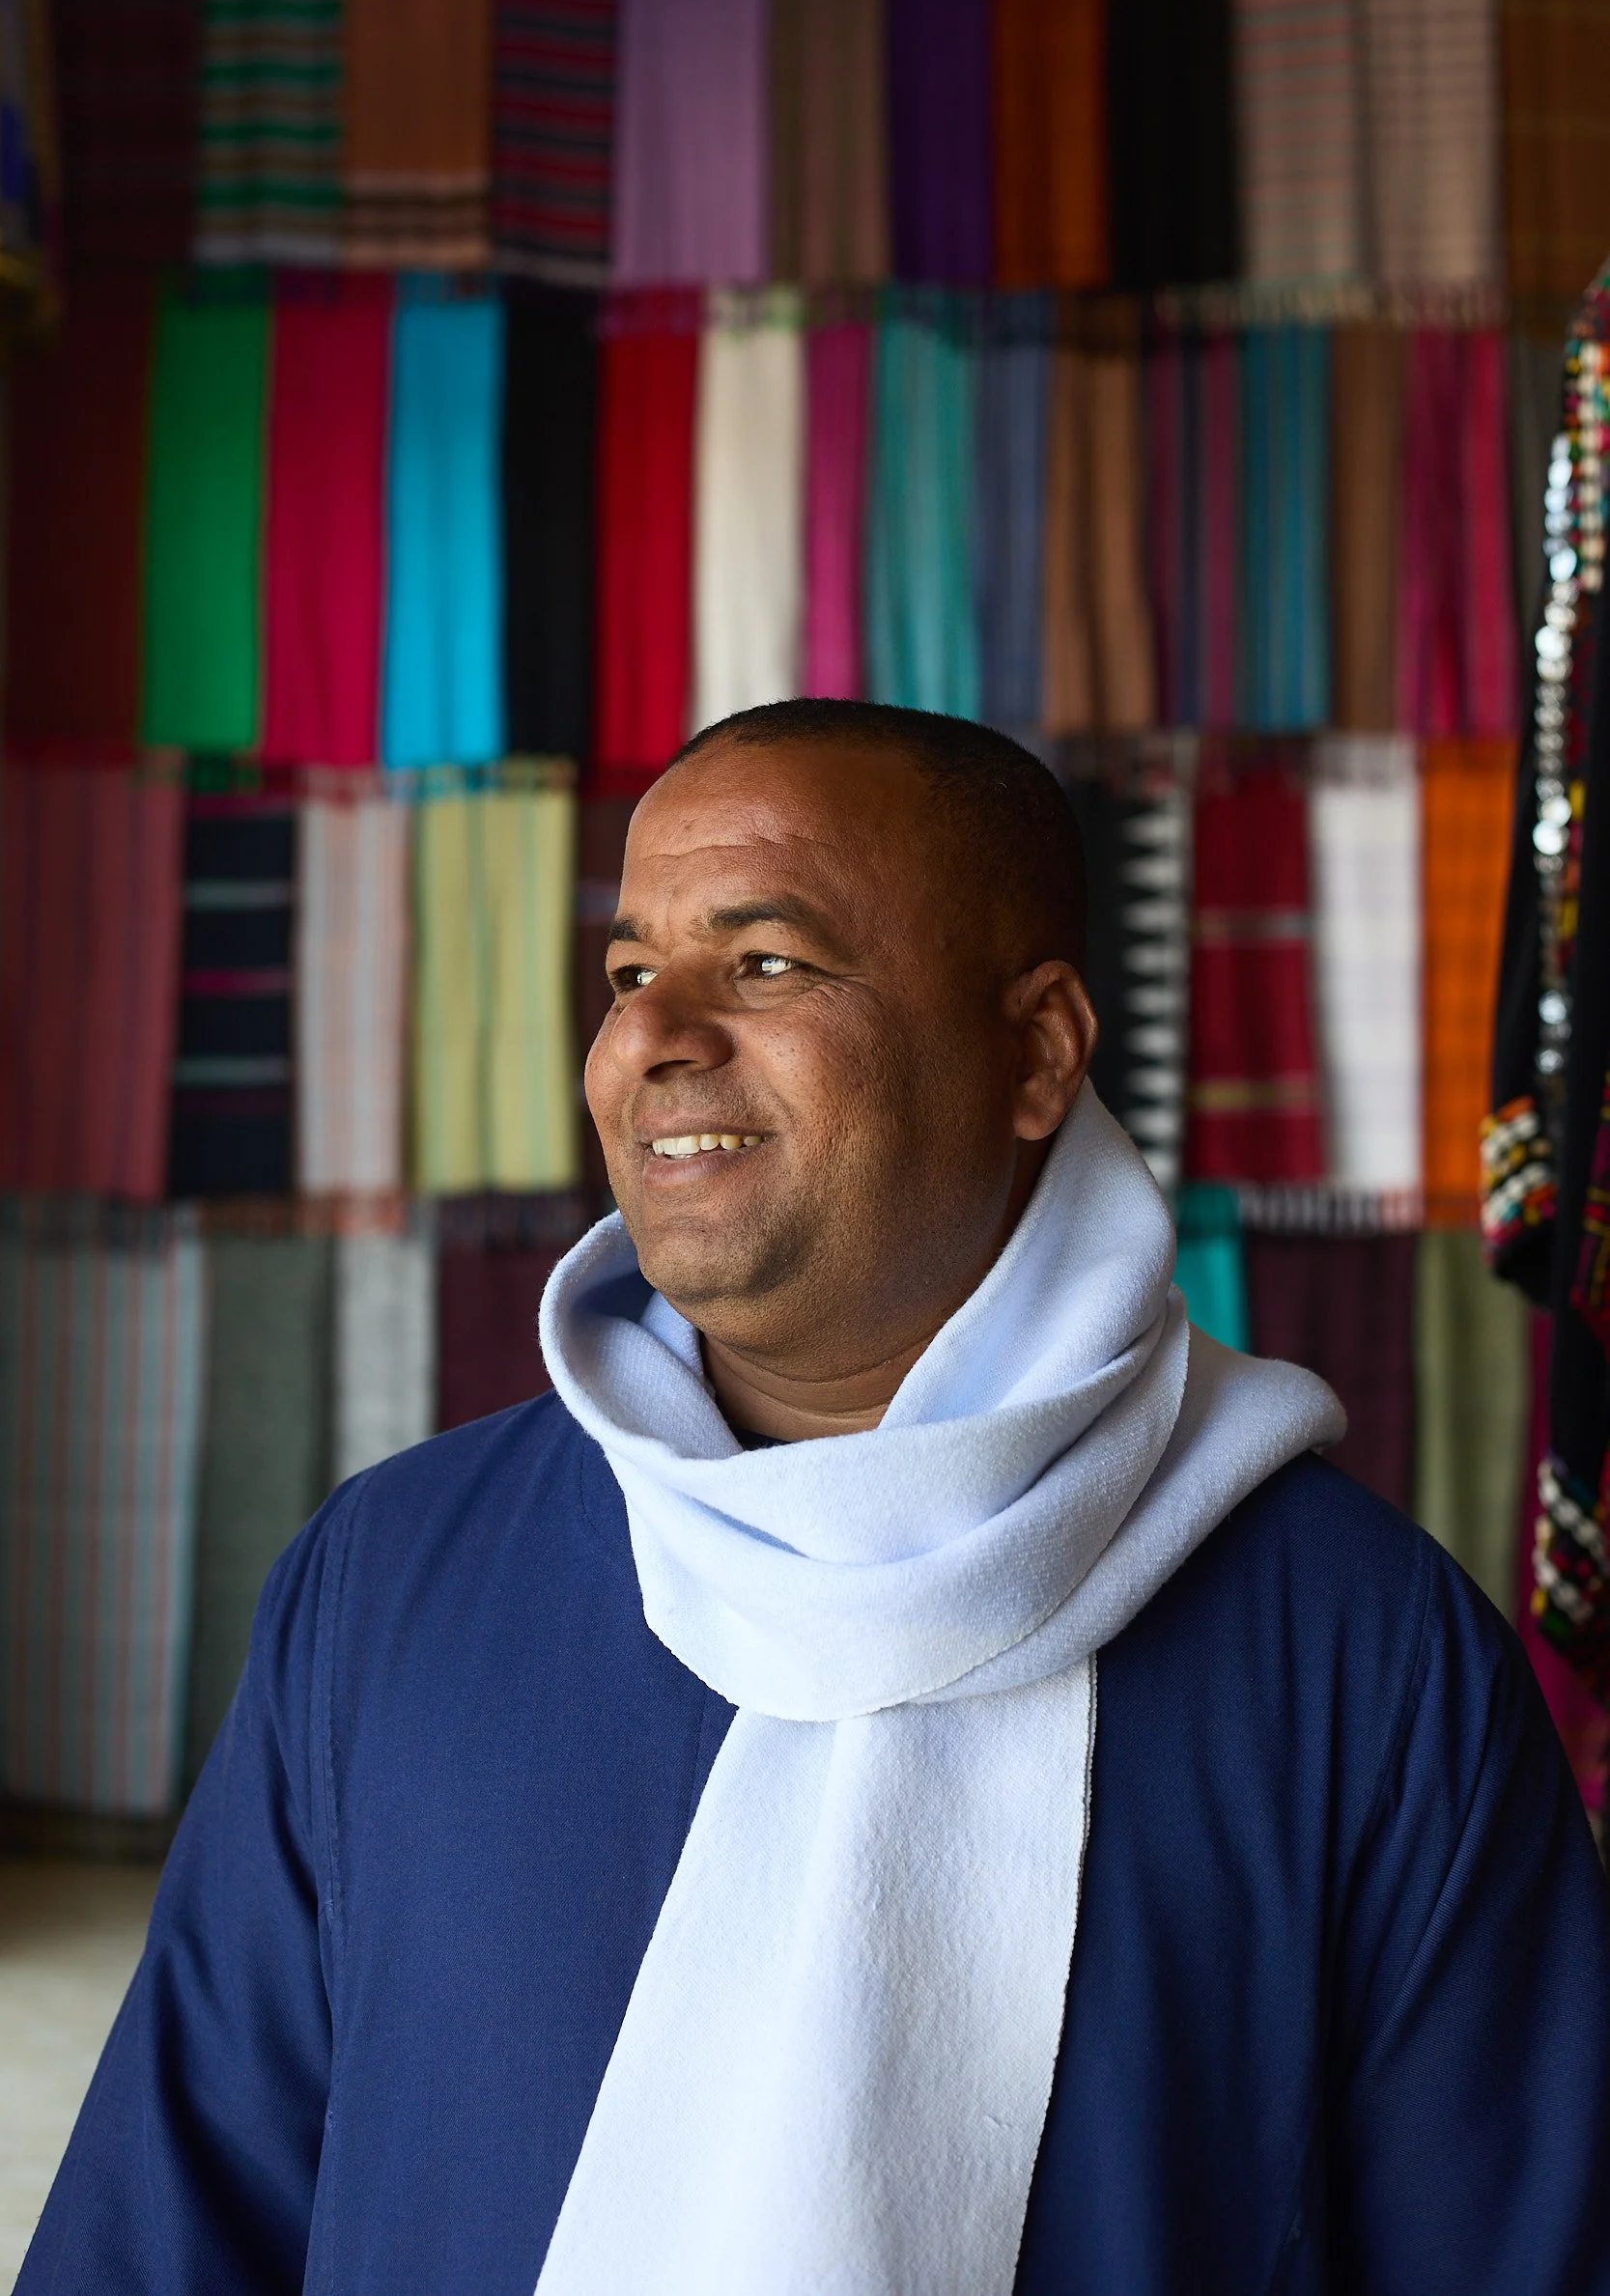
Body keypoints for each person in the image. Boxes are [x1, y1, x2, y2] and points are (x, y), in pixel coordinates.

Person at [21, 704, 1610, 2295]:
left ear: (1037, 1051)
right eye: (631, 973)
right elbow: (172, 2222)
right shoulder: (391, 1582)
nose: (652, 1038)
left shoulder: (1360, 1661)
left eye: (766, 963)